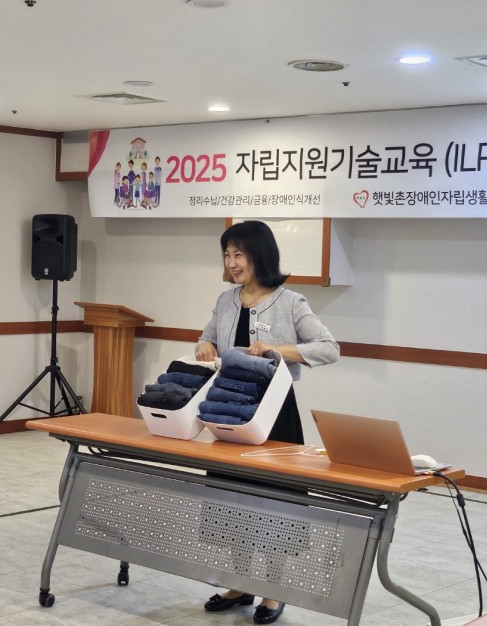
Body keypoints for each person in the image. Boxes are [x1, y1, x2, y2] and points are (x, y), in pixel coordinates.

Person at [195, 220, 340, 625]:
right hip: (229, 407)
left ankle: (273, 590)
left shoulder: (290, 301)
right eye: (227, 254)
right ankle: (240, 583)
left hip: (274, 413)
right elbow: (207, 338)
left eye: (239, 254)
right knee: (232, 496)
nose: (231, 262)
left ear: (260, 255)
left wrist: (278, 349)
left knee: (274, 500)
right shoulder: (226, 300)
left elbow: (329, 348)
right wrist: (204, 343)